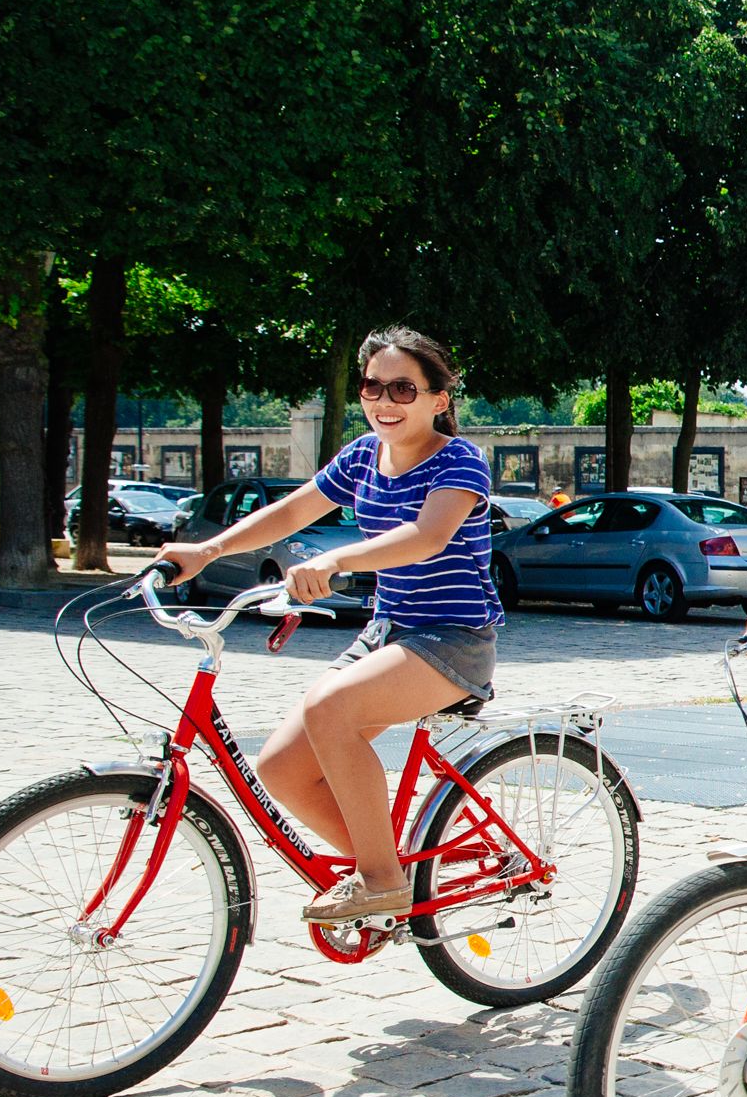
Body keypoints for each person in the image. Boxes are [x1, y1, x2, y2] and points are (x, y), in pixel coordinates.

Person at [156, 326, 499, 924]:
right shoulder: (362, 455)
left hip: (453, 638)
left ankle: (382, 880)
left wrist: (336, 559)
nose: (384, 402)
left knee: (329, 707)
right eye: (372, 387)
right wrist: (205, 551)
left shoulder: (460, 461)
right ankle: (398, 870)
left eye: (403, 389)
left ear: (438, 399)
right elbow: (292, 511)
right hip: (387, 630)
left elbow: (427, 536)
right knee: (282, 769)